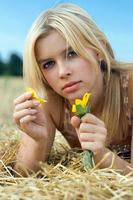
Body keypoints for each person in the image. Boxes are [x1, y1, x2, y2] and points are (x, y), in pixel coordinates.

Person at [13, 3, 133, 175]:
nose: (62, 72)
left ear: (98, 49)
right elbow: (20, 179)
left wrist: (103, 156)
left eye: (72, 53)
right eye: (49, 64)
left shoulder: (129, 87)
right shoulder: (50, 103)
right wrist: (38, 142)